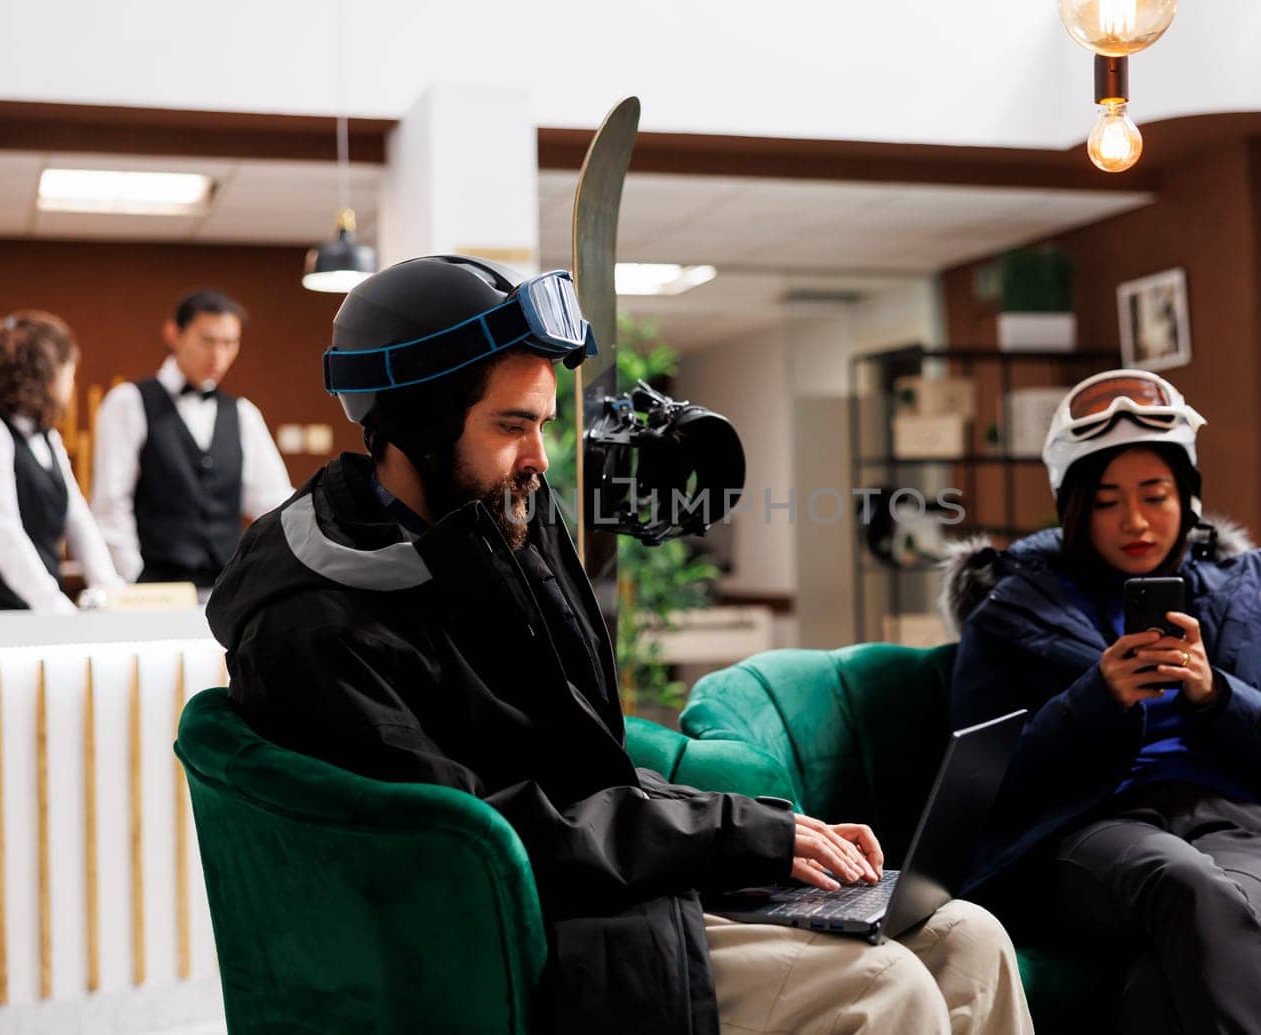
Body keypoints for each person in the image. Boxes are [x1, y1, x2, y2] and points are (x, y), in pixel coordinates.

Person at [207, 256, 1033, 1035]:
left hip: (612, 879)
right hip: (538, 923)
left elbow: (581, 766)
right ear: (418, 425)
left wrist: (762, 829)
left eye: (541, 424)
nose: (538, 457)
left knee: (969, 937)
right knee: (879, 987)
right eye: (510, 426)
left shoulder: (500, 531)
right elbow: (482, 832)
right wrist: (737, 834)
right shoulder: (315, 619)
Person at [942, 369, 1261, 1034]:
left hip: (1241, 828)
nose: (1135, 520)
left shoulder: (1243, 599)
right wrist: (1094, 701)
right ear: (1074, 507)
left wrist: (1218, 694)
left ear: (1188, 498)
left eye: (1156, 494)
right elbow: (980, 785)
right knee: (1189, 888)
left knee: (1175, 965)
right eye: (1107, 500)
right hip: (1096, 830)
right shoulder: (1007, 610)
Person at [91, 289, 292, 589]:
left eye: (229, 343)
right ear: (174, 334)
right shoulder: (128, 402)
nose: (218, 356)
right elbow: (110, 504)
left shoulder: (243, 414)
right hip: (156, 586)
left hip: (227, 587)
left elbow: (273, 502)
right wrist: (134, 579)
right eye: (208, 341)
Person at [0, 312, 122, 611]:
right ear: (46, 374)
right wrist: (55, 607)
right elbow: (2, 531)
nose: (71, 383)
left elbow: (78, 521)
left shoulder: (47, 437)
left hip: (37, 610)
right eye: (69, 372)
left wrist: (113, 592)